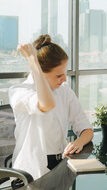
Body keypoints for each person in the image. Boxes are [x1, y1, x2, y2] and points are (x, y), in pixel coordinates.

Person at [9, 35, 93, 179]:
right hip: (32, 172)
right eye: (58, 76)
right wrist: (33, 61)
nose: (64, 79)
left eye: (65, 74)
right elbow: (47, 104)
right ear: (40, 73)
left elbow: (86, 128)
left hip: (60, 165)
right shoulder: (19, 92)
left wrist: (79, 142)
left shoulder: (64, 90)